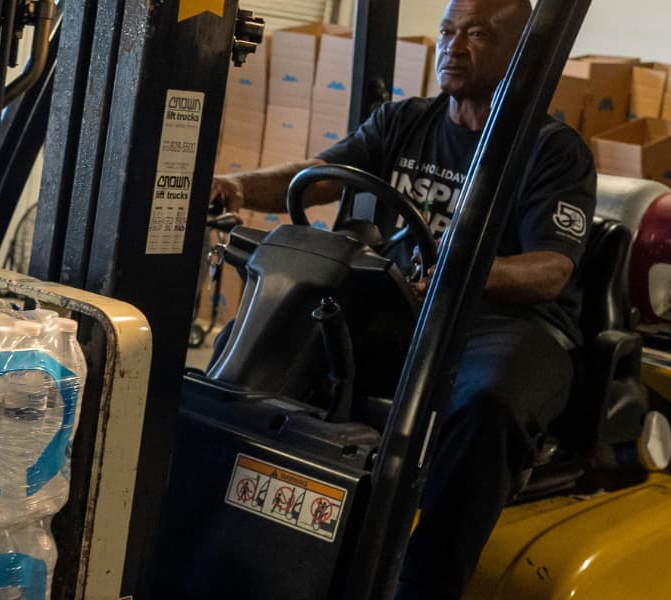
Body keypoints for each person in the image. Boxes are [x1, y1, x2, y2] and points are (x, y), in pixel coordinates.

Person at [209, 0, 595, 596]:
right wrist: (234, 186)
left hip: (507, 325)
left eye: (476, 35)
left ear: (519, 51)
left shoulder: (551, 149)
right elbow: (318, 175)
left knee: (486, 404)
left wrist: (458, 272)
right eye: (447, 31)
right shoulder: (405, 122)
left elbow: (551, 269)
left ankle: (426, 584)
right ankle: (228, 533)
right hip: (410, 310)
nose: (453, 46)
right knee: (265, 338)